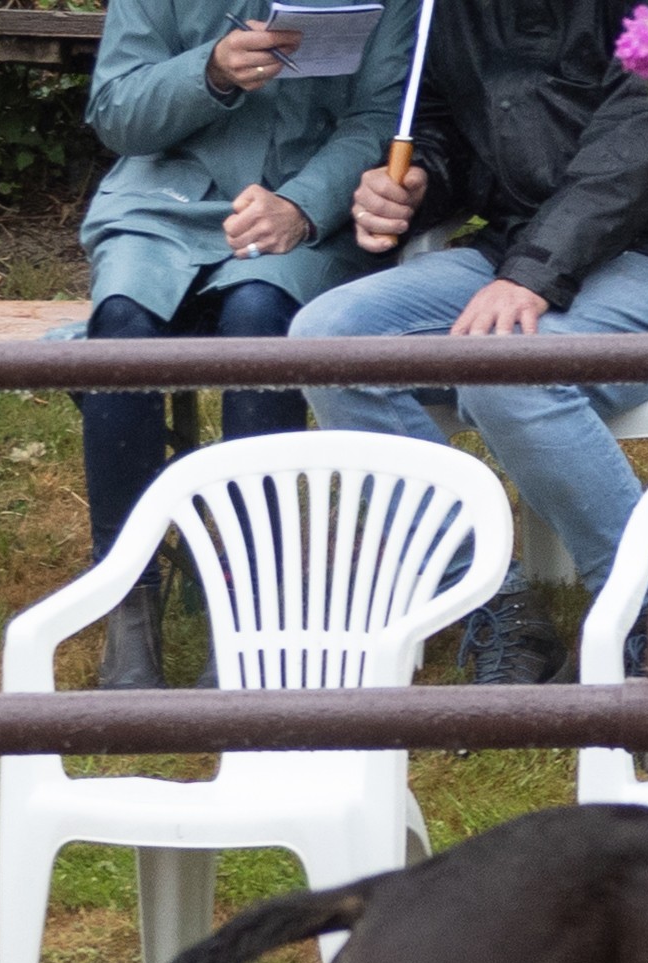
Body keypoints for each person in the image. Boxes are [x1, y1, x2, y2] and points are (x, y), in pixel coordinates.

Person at [287, 0, 648, 682]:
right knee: (329, 339)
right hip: (522, 243)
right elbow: (442, 123)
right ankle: (486, 598)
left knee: (510, 371)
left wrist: (531, 276)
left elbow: (636, 150)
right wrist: (419, 180)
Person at [73, 0, 419, 686]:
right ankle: (126, 596)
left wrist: (303, 206)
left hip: (305, 211)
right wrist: (207, 71)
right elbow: (115, 112)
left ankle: (253, 599)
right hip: (162, 206)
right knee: (122, 322)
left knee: (259, 314)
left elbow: (381, 117)